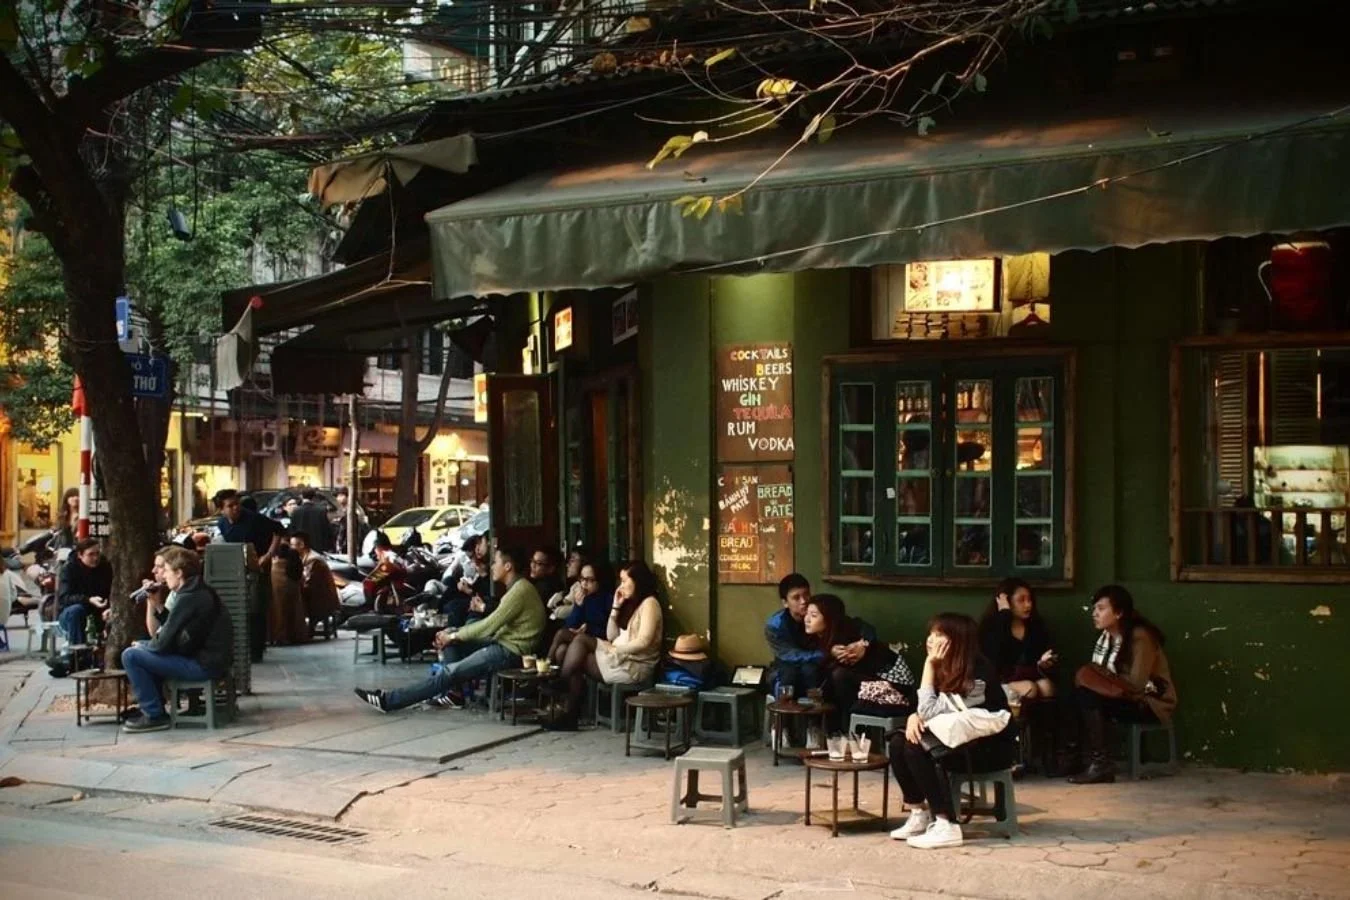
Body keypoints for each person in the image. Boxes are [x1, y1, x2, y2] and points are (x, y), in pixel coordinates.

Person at [354, 546, 543, 712]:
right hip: (500, 642)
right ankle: (455, 693)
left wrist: (453, 635)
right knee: (451, 643)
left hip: (509, 651)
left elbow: (489, 625)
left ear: (508, 566)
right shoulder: (517, 588)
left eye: (496, 562)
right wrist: (452, 636)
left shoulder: (520, 591)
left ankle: (390, 700)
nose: (492, 566)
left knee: (449, 671)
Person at [888, 613, 1016, 850]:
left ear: (956, 641)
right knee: (898, 741)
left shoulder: (978, 675)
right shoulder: (946, 666)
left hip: (990, 749)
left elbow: (929, 710)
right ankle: (919, 812)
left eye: (938, 635)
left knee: (916, 747)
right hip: (960, 743)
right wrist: (913, 717)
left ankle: (947, 823)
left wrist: (928, 664)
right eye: (931, 634)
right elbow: (931, 712)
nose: (930, 640)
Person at [1068, 585, 1177, 784]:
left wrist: (1105, 685)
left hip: (1150, 702)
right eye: (1094, 609)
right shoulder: (1107, 637)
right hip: (1125, 697)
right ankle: (1079, 759)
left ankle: (1101, 765)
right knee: (1079, 692)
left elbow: (1136, 684)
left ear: (1118, 613)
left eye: (1101, 609)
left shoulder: (1140, 637)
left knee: (1088, 695)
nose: (1095, 614)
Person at [120, 546, 233, 733]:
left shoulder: (189, 597)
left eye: (167, 571)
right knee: (141, 649)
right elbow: (175, 630)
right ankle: (154, 708)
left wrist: (145, 647)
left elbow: (162, 643)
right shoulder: (198, 591)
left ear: (179, 573)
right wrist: (157, 609)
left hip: (204, 665)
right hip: (209, 659)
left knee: (130, 656)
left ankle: (154, 714)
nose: (163, 576)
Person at [557, 560, 664, 726]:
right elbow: (611, 635)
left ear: (637, 581)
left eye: (624, 581)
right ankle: (568, 712)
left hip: (634, 665)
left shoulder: (650, 604)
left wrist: (616, 650)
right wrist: (615, 607)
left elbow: (644, 641)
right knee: (573, 648)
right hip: (620, 655)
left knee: (576, 653)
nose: (621, 586)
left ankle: (564, 701)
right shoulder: (631, 603)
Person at [804, 593, 897, 731]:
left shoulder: (850, 630)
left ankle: (848, 732)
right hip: (840, 687)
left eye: (813, 615)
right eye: (807, 613)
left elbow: (868, 631)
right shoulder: (812, 637)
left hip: (879, 686)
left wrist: (863, 645)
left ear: (829, 619)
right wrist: (830, 652)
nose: (807, 619)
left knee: (839, 675)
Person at [978, 578, 1057, 704]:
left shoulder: (1035, 626)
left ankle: (1040, 724)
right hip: (1000, 681)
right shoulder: (991, 626)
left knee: (1047, 687)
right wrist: (1004, 614)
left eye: (1029, 599)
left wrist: (1043, 662)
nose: (1028, 605)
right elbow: (993, 658)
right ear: (1007, 602)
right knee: (1030, 688)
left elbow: (1039, 658)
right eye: (1021, 600)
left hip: (1028, 676)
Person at [764, 573, 824, 699]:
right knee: (789, 675)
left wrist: (863, 643)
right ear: (785, 603)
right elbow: (790, 656)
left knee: (811, 671)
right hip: (787, 664)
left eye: (806, 594)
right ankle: (784, 715)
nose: (804, 601)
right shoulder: (775, 626)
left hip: (816, 665)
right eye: (796, 598)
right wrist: (825, 653)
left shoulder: (821, 615)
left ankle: (815, 715)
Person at [547, 560, 610, 665]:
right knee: (561, 651)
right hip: (580, 639)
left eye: (589, 580)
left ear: (599, 581)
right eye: (582, 578)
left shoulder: (607, 599)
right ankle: (550, 674)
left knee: (561, 633)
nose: (584, 583)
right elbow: (570, 625)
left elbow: (608, 630)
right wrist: (578, 606)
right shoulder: (584, 597)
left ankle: (545, 667)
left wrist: (587, 628)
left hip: (598, 641)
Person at [56, 538, 112, 645]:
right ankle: (78, 653)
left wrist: (108, 607)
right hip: (71, 613)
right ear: (80, 555)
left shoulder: (104, 567)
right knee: (76, 611)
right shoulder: (69, 569)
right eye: (90, 555)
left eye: (97, 554)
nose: (95, 558)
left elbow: (110, 592)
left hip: (98, 611)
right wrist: (88, 600)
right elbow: (64, 598)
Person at [291, 531, 340, 637]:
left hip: (322, 598)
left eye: (293, 545)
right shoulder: (306, 557)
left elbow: (309, 584)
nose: (291, 548)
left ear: (302, 545)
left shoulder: (313, 560)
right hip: (318, 595)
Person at [268, 540, 307, 645]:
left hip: (276, 597)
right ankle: (294, 636)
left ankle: (279, 637)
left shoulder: (273, 567)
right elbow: (300, 578)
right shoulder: (293, 564)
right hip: (292, 590)